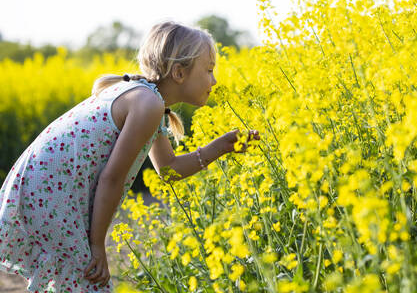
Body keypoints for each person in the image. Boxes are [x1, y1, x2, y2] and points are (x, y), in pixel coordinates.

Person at [0, 21, 260, 292]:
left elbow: (169, 170)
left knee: (78, 283)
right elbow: (112, 178)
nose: (214, 80)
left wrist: (222, 146)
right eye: (208, 70)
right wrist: (97, 245)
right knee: (87, 281)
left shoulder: (151, 102)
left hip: (44, 187)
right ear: (179, 73)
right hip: (51, 192)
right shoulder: (148, 103)